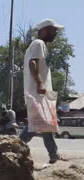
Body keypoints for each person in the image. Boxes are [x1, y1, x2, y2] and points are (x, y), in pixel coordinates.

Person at [19, 19, 67, 164]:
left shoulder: (41, 46)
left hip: (40, 93)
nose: (55, 34)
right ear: (44, 30)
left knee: (47, 125)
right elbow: (32, 63)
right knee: (35, 126)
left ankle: (54, 155)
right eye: (53, 31)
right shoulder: (38, 43)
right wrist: (39, 83)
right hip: (37, 93)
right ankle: (12, 148)